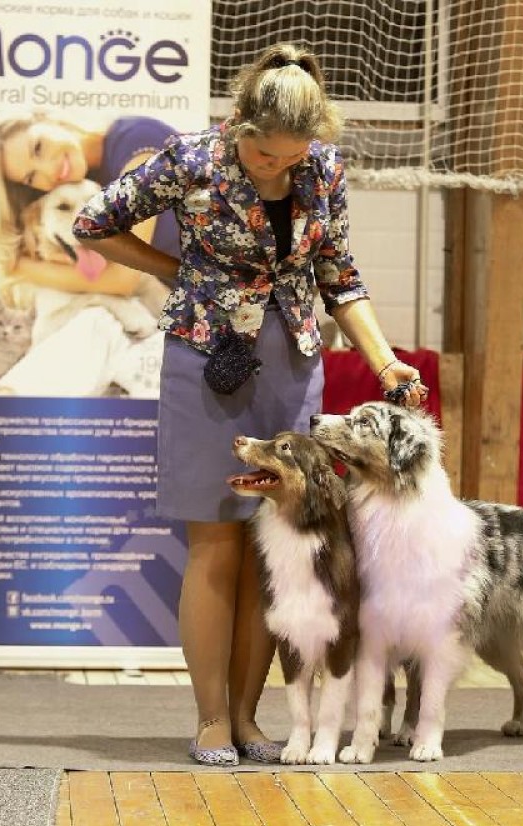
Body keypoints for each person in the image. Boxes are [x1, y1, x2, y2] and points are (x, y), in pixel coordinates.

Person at [72, 43, 428, 766]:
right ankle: (210, 718)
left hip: (291, 367)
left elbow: (340, 278)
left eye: (292, 157)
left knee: (275, 552)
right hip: (206, 363)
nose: (277, 167)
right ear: (240, 122)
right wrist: (177, 271)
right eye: (266, 154)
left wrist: (385, 360)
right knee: (215, 541)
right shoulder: (189, 159)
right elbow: (94, 224)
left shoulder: (324, 169)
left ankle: (247, 717)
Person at [0, 110, 178, 395]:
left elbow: (124, 279)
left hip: (225, 301)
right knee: (94, 327)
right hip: (179, 306)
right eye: (31, 177)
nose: (49, 171)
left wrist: (16, 266)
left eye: (38, 147)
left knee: (95, 324)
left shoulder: (138, 144)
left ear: (49, 119)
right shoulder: (83, 179)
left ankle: (12, 396)